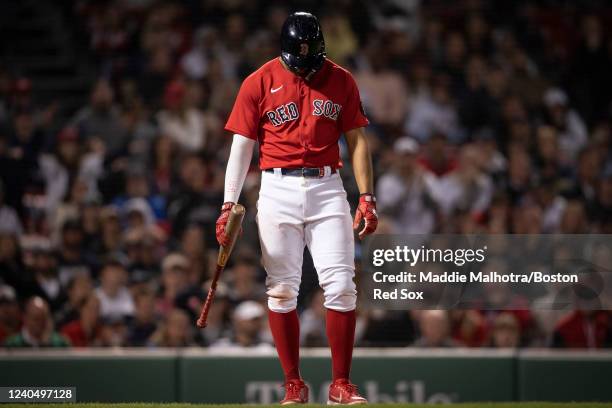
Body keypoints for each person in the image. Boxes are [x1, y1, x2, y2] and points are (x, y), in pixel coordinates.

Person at [216, 12, 377, 404]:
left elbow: (356, 141)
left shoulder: (341, 79)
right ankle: (293, 383)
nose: (303, 67)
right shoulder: (259, 80)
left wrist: (367, 196)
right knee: (282, 290)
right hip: (275, 188)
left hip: (327, 186)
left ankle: (341, 384)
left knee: (340, 286)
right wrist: (228, 203)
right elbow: (242, 145)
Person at [4, 296, 70, 348]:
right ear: (25, 318)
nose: (40, 323)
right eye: (36, 319)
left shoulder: (60, 343)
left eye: (43, 319)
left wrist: (46, 344)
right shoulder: (12, 345)